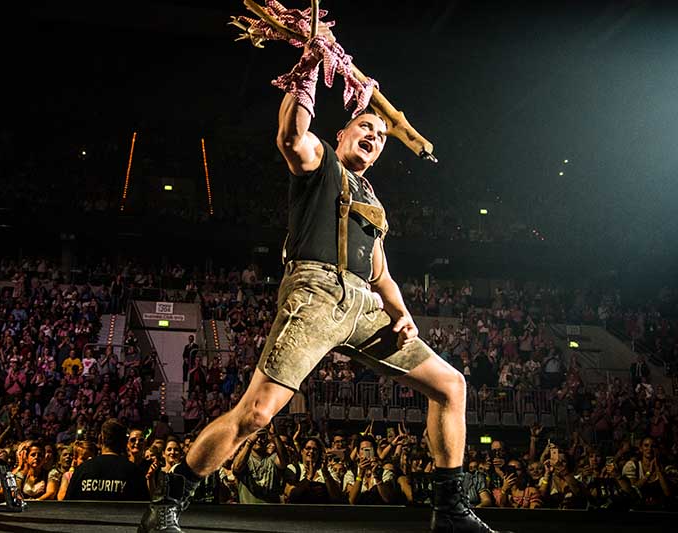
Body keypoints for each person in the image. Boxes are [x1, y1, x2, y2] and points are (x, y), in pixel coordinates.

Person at [139, 24, 502, 533]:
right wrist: (308, 71)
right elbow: (290, 136)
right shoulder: (320, 165)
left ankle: (449, 509)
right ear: (341, 134)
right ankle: (169, 500)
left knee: (450, 385)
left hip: (363, 305)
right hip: (315, 294)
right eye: (364, 129)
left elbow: (382, 273)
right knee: (258, 413)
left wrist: (402, 314)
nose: (374, 138)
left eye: (379, 136)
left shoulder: (373, 201)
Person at [65, 419, 148, 501]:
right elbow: (144, 509)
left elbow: (67, 508)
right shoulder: (135, 473)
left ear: (100, 439)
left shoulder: (82, 470)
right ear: (125, 442)